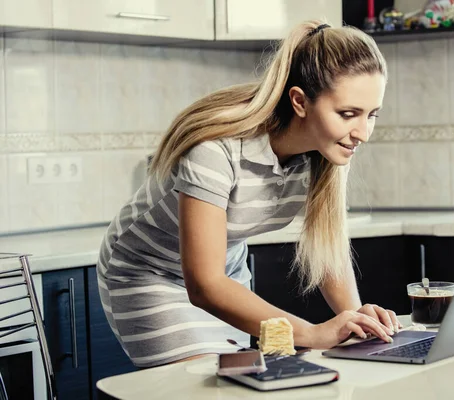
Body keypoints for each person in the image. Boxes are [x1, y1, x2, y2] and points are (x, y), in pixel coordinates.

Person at [97, 20, 399, 368]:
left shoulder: (329, 148)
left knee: (235, 381)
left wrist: (356, 318)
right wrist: (313, 334)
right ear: (300, 102)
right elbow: (205, 286)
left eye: (371, 114)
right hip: (148, 273)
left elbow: (328, 248)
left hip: (227, 274)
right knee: (198, 382)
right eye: (348, 114)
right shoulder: (215, 149)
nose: (363, 132)